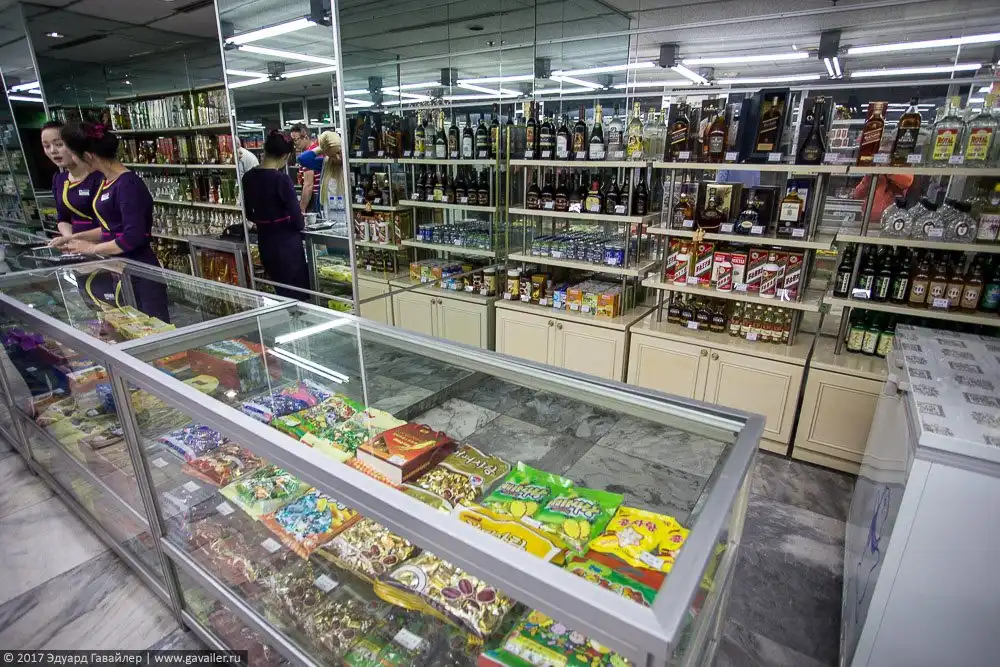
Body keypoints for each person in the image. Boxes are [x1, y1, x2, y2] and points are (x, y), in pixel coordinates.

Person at [50, 122, 169, 322]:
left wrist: (91, 248)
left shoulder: (128, 184)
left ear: (88, 156)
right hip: (119, 267)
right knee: (129, 325)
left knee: (153, 325)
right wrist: (74, 238)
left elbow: (133, 237)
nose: (72, 160)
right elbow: (110, 229)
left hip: (140, 271)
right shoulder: (107, 181)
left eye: (73, 155)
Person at [242, 131, 310, 299]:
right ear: (285, 156)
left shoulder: (248, 178)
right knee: (297, 295)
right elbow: (297, 220)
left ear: (265, 150)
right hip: (287, 245)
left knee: (279, 292)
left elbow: (249, 214)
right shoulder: (281, 179)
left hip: (265, 243)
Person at [41, 120, 103, 238]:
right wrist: (69, 238)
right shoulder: (59, 179)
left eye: (59, 144)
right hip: (76, 245)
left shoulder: (100, 177)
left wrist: (75, 239)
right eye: (47, 146)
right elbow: (63, 218)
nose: (53, 151)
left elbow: (114, 226)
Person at [296, 130, 348, 234]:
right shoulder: (324, 164)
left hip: (346, 220)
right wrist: (322, 148)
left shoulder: (349, 166)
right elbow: (302, 159)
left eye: (339, 152)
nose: (337, 157)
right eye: (333, 155)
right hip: (327, 220)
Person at [290, 123, 319, 213]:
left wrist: (301, 209)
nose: (294, 144)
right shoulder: (316, 149)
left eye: (295, 140)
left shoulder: (308, 155)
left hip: (314, 198)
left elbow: (308, 185)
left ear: (305, 137)